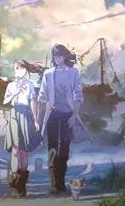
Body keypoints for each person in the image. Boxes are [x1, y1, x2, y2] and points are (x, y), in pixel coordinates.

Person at [37, 44, 89, 195]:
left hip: (68, 114)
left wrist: (74, 115)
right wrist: (38, 114)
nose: (57, 58)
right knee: (52, 148)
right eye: (55, 55)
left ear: (65, 56)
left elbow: (78, 95)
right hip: (52, 114)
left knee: (65, 148)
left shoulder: (73, 72)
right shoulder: (48, 73)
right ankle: (55, 184)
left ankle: (61, 181)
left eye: (59, 55)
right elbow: (42, 95)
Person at [4, 60, 42, 197]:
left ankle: (22, 185)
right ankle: (14, 186)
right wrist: (15, 93)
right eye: (16, 68)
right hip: (14, 115)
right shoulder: (10, 85)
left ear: (25, 70)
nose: (18, 70)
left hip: (25, 115)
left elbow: (33, 102)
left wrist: (36, 119)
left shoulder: (30, 85)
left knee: (25, 151)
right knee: (15, 149)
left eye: (21, 68)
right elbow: (5, 101)